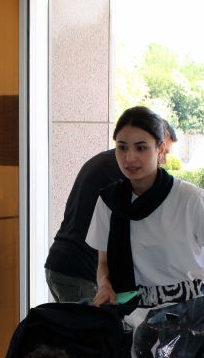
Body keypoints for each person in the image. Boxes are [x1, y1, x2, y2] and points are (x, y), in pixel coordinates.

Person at [87, 106, 204, 309]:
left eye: (141, 148)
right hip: (128, 312)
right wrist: (104, 285)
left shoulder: (190, 199)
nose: (129, 158)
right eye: (122, 147)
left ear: (160, 149)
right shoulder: (109, 201)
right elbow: (104, 263)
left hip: (187, 310)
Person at [44, 122, 178, 303]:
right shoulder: (124, 172)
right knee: (96, 322)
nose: (163, 160)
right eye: (163, 152)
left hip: (65, 262)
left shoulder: (109, 162)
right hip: (82, 271)